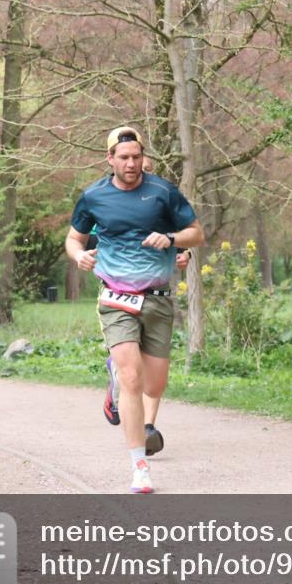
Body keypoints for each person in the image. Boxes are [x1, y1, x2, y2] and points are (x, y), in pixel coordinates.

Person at [66, 126, 204, 493]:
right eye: (123, 158)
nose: (131, 163)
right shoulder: (94, 196)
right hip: (115, 298)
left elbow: (197, 233)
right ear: (110, 159)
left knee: (153, 384)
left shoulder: (162, 192)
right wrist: (79, 255)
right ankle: (139, 466)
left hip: (157, 298)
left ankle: (116, 386)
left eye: (136, 156)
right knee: (132, 379)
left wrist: (172, 239)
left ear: (144, 157)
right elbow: (74, 237)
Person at [101, 154, 192, 456]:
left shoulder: (162, 203)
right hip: (119, 294)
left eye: (145, 170)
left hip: (156, 296)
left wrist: (183, 255)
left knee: (153, 371)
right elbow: (90, 241)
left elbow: (181, 240)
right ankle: (120, 381)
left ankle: (147, 426)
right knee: (132, 371)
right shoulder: (108, 206)